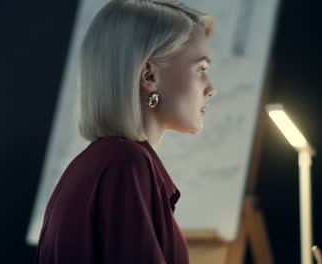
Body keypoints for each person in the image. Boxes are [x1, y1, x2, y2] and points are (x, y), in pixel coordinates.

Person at [36, 0, 216, 263]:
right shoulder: (125, 164)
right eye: (201, 69)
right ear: (149, 76)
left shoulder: (105, 161)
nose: (211, 88)